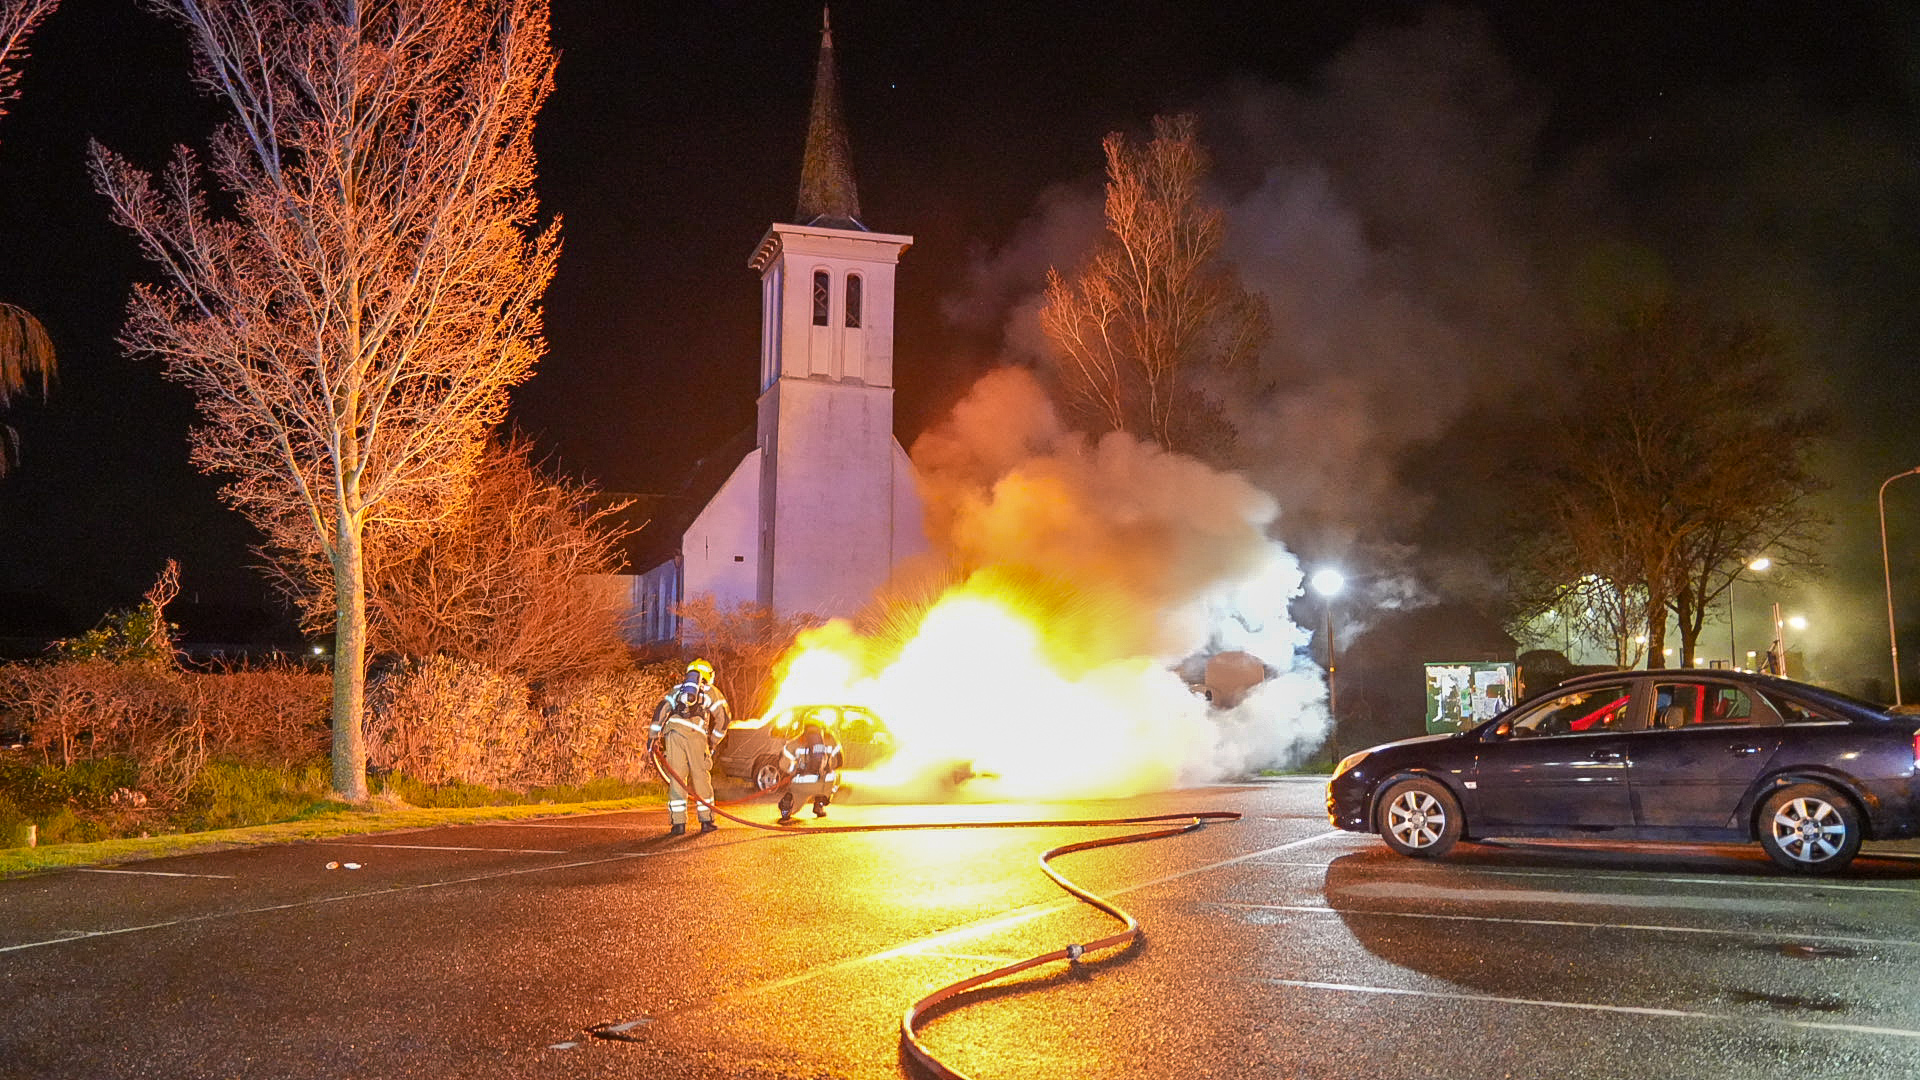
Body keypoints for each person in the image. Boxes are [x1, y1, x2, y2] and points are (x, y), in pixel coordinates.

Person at [647, 658, 732, 835]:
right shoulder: (710, 691)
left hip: (673, 733)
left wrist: (653, 737)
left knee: (677, 778)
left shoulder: (677, 689)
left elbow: (661, 710)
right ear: (709, 674)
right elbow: (723, 718)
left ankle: (678, 824)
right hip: (696, 736)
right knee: (700, 777)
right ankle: (706, 821)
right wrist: (713, 741)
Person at [776, 721, 842, 823]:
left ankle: (788, 807)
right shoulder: (830, 740)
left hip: (801, 786)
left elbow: (783, 762)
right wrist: (826, 769)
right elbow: (839, 762)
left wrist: (792, 771)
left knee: (795, 806)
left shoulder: (798, 741)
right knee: (837, 776)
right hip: (823, 784)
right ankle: (820, 803)